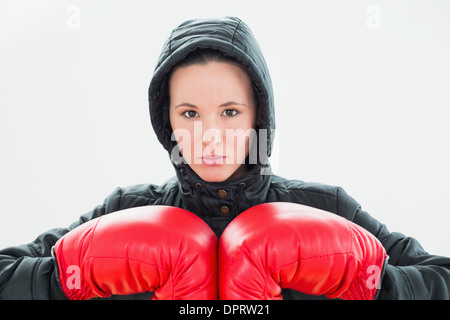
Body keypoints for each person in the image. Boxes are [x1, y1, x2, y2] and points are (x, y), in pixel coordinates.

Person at [1, 16, 449, 300]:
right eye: (190, 113)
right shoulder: (127, 209)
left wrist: (375, 287)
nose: (209, 135)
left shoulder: (326, 207)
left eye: (230, 112)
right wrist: (69, 280)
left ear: (260, 117)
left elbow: (440, 276)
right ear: (167, 121)